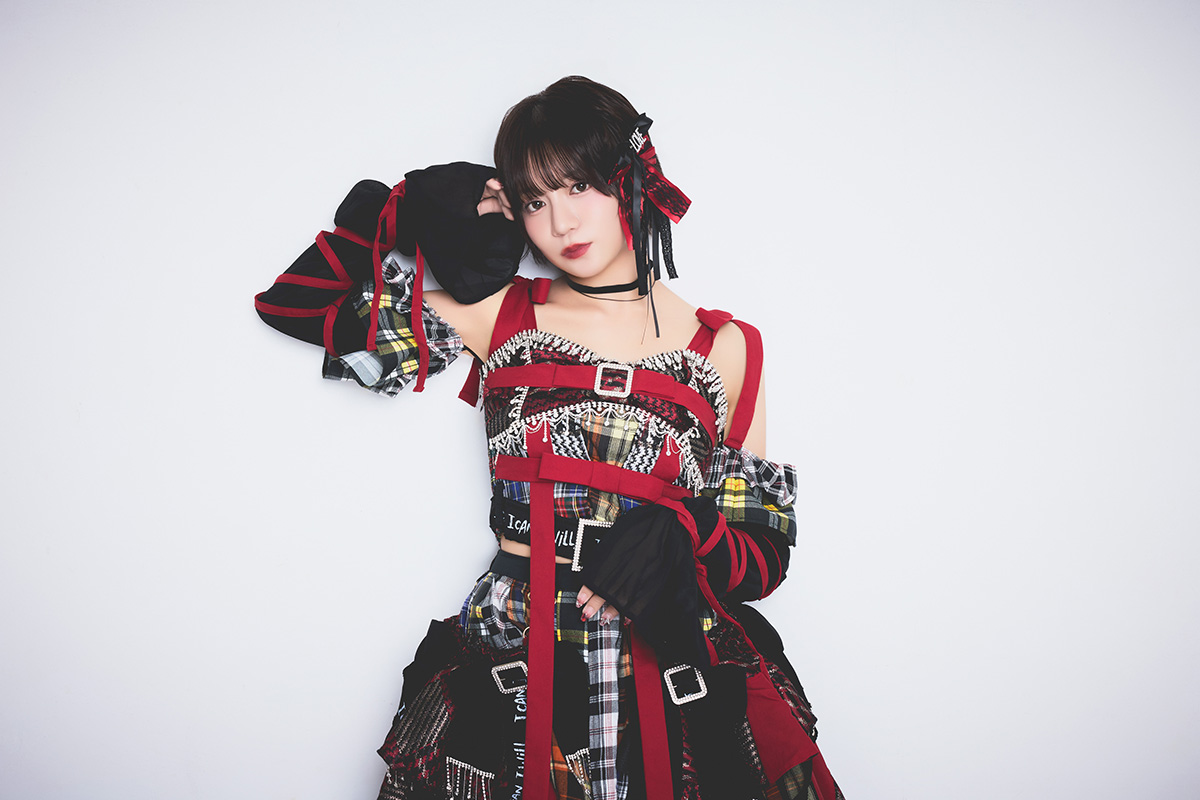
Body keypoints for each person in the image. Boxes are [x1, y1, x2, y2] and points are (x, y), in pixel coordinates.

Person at [261, 76, 842, 800]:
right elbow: (295, 307)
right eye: (534, 201)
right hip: (523, 659)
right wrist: (403, 208)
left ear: (632, 176)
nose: (561, 222)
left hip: (672, 661)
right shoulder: (500, 315)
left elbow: (764, 559)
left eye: (579, 187)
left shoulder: (727, 346)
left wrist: (684, 527)